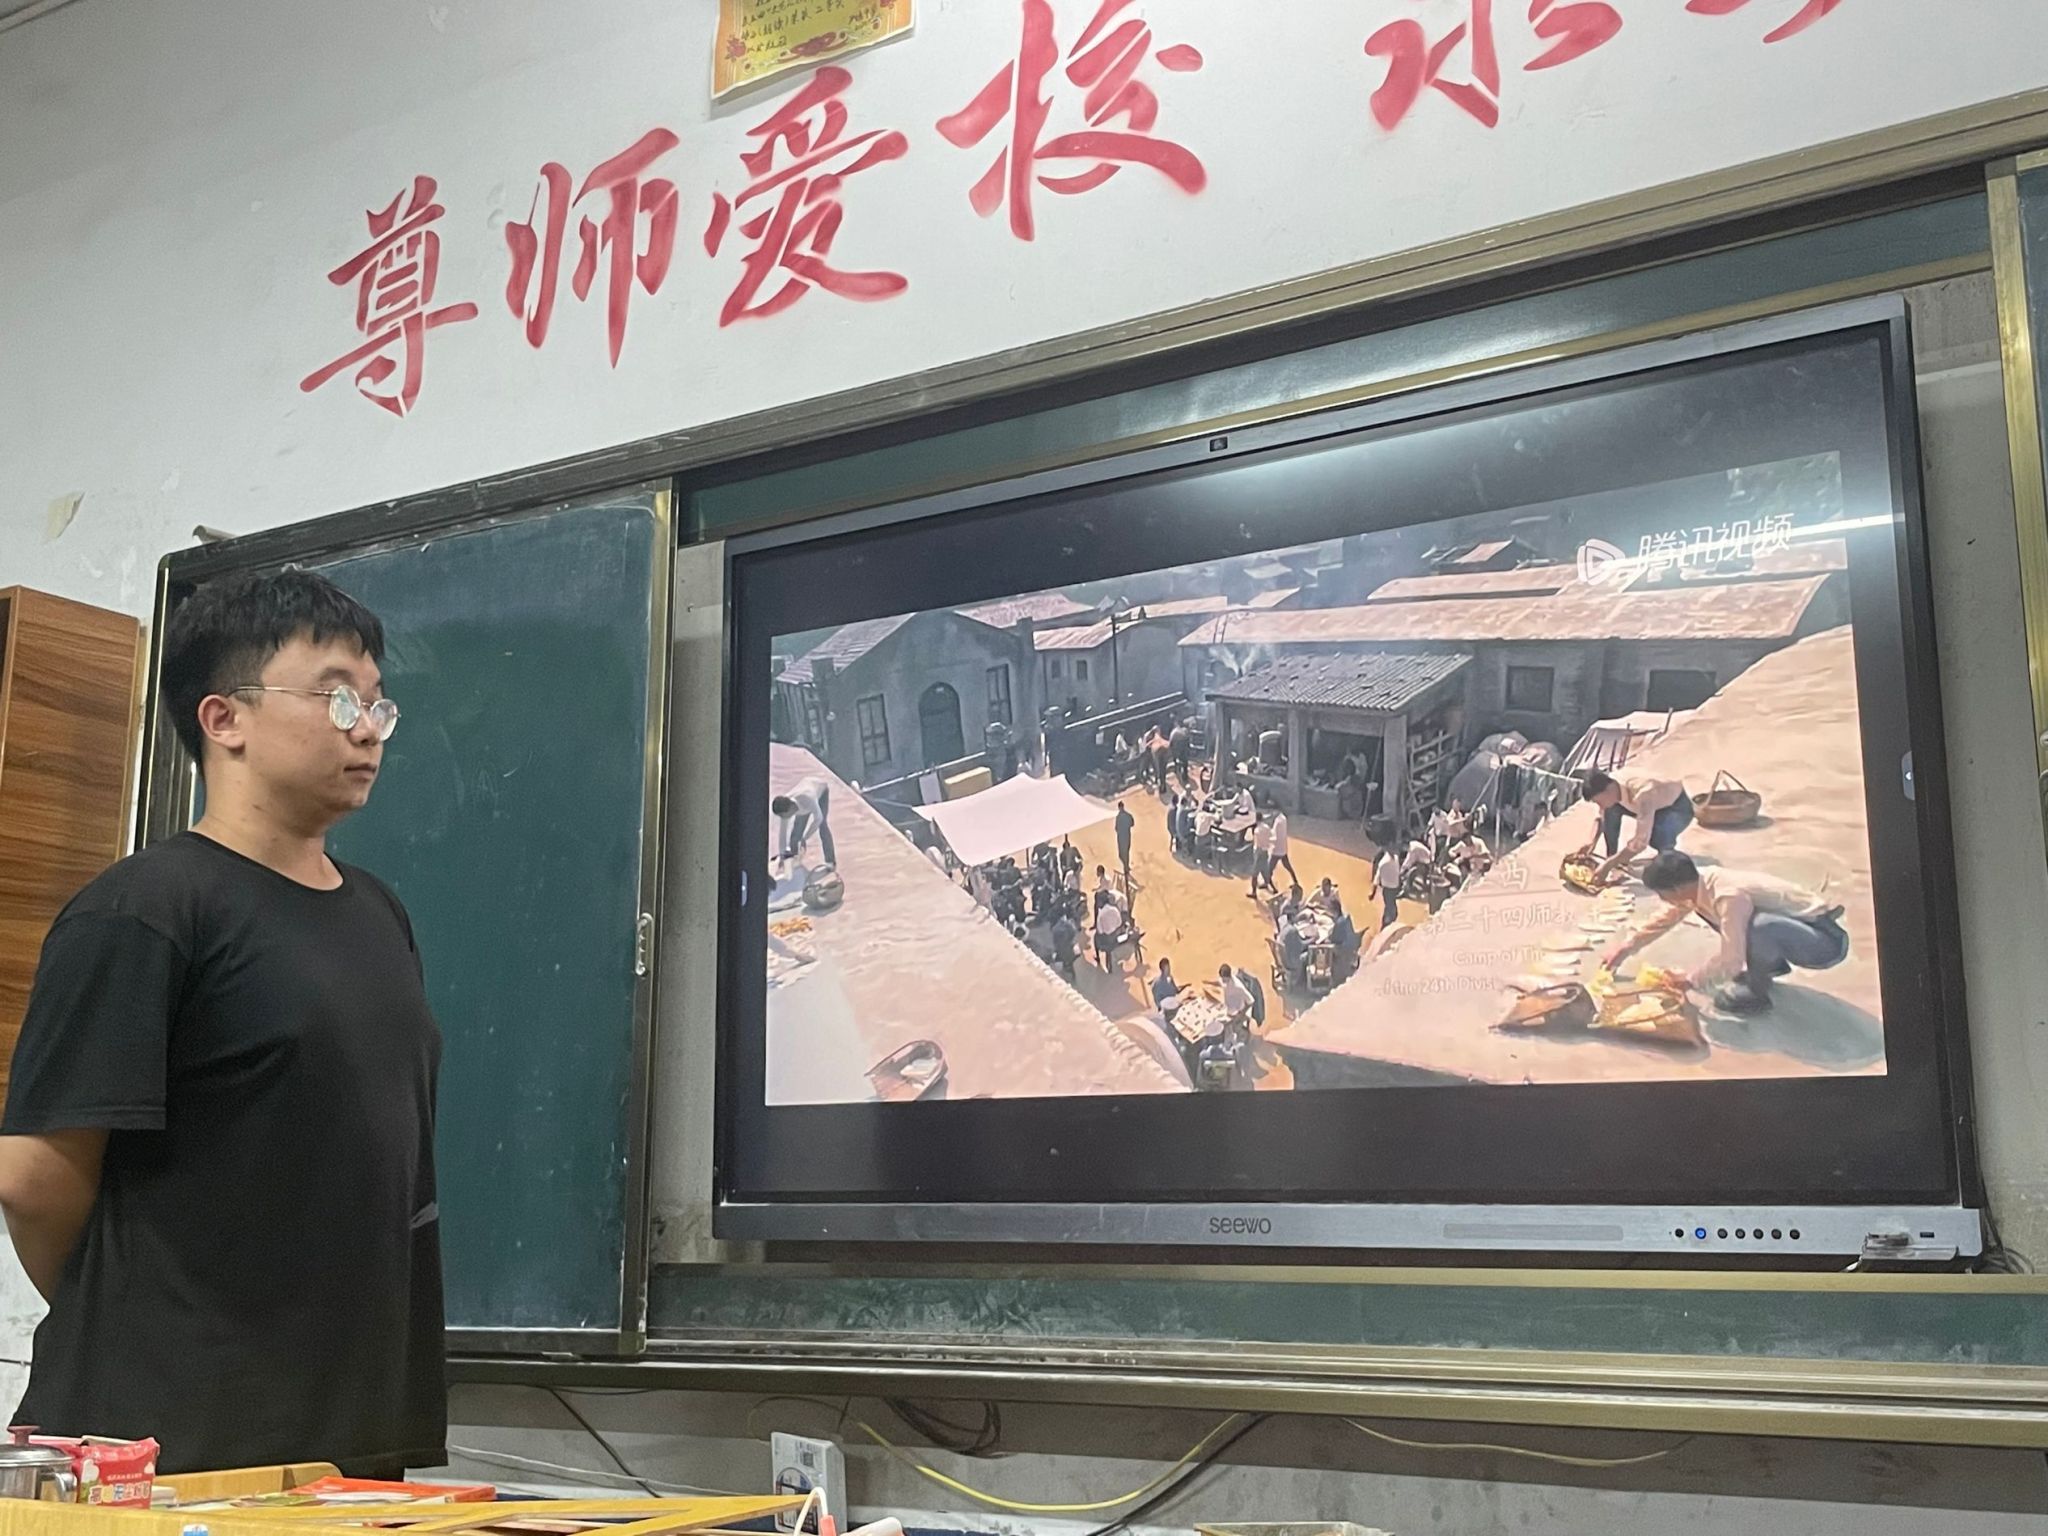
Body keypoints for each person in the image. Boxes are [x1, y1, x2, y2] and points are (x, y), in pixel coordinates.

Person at [0, 570, 444, 1475]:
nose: (366, 727)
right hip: (170, 1439)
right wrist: (155, 1319)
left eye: (376, 704)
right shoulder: (145, 909)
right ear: (223, 718)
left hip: (344, 1438)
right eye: (335, 697)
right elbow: (36, 1179)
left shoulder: (380, 913)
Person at [1603, 851, 1848, 1014]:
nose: (1662, 898)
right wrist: (1626, 947)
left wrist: (1691, 980)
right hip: (1795, 933)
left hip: (1824, 943)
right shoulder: (1698, 883)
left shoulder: (1728, 895)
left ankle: (1756, 993)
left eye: (1662, 893)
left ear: (1676, 888)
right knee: (1742, 924)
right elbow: (1666, 918)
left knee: (1759, 926)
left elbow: (1732, 959)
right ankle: (1769, 965)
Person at [1578, 769, 1693, 883]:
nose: (1600, 806)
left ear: (1608, 790)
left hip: (1677, 807)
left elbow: (1640, 842)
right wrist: (1591, 842)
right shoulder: (1612, 783)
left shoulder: (1643, 795)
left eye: (1599, 802)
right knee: (1610, 811)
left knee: (1657, 835)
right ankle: (1612, 856)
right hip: (1646, 804)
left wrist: (1609, 864)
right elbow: (1600, 817)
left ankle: (1668, 859)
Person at [772, 775, 836, 874]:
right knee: (796, 831)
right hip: (805, 792)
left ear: (790, 809)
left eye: (784, 816)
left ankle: (830, 861)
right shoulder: (786, 807)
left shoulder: (808, 799)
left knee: (823, 827)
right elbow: (782, 834)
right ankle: (794, 857)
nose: (784, 818)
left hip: (821, 792)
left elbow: (818, 819)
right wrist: (782, 855)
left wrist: (805, 838)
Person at [1373, 826, 1401, 931]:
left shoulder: (1396, 858)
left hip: (1394, 888)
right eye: (1392, 847)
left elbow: (1398, 872)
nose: (1394, 849)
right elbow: (1376, 879)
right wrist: (1373, 893)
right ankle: (1385, 929)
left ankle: (1385, 927)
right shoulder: (1383, 863)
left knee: (1390, 909)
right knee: (1391, 910)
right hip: (1388, 890)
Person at [1269, 809, 1299, 887]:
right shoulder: (1283, 818)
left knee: (1269, 869)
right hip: (1283, 849)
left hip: (1276, 850)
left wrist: (1267, 839)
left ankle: (1270, 885)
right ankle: (1295, 882)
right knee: (1288, 867)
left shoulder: (1278, 822)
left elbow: (1275, 837)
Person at [1219, 963, 1253, 1031]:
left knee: (1232, 1030)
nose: (1222, 980)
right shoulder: (1225, 981)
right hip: (1229, 1007)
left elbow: (1250, 1001)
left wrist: (1241, 1015)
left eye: (1223, 978)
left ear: (1228, 976)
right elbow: (1219, 982)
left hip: (1237, 1010)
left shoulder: (1238, 987)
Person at [1278, 918, 1308, 992]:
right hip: (1291, 962)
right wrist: (1312, 940)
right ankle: (1303, 980)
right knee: (1309, 954)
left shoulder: (1285, 928)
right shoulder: (1293, 931)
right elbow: (1301, 946)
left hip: (1283, 959)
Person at [1249, 816, 1276, 897]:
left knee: (1254, 874)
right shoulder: (1267, 827)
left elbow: (1257, 843)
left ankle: (1254, 893)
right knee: (1265, 871)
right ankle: (1274, 888)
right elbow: (1271, 836)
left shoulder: (1257, 831)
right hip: (1265, 852)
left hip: (1259, 853)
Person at [1050, 908, 1081, 978]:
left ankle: (1066, 966)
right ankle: (1070, 969)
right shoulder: (1068, 926)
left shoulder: (1055, 929)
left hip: (1060, 952)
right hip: (1070, 951)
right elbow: (1073, 933)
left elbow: (1055, 943)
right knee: (1073, 955)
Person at [1095, 897, 1124, 969]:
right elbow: (1119, 922)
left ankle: (1098, 957)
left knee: (1095, 937)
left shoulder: (1100, 914)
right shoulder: (1115, 910)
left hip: (1107, 940)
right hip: (1116, 936)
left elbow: (1100, 931)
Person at [1114, 800, 1135, 888]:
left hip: (1121, 838)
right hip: (1127, 836)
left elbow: (1116, 828)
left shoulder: (1118, 817)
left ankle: (1126, 867)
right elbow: (1132, 824)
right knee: (1126, 852)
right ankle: (1126, 866)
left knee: (1122, 854)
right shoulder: (1128, 815)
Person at [1169, 721, 1192, 785]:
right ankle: (1185, 776)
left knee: (1175, 759)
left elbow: (1170, 742)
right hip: (1183, 746)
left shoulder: (1173, 732)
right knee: (1185, 761)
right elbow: (1187, 740)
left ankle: (1176, 769)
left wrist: (1171, 749)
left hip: (1176, 747)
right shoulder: (1184, 731)